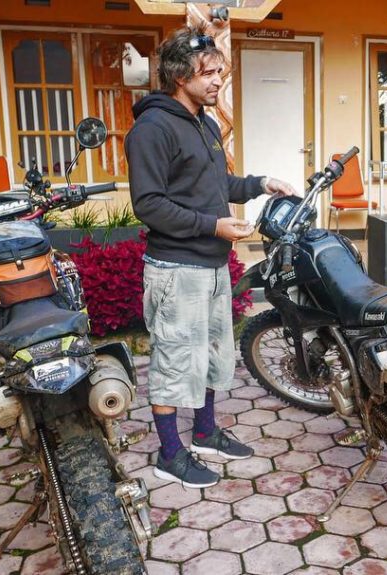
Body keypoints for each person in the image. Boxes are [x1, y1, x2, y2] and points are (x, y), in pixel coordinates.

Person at [125, 26, 297, 489]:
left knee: (210, 355)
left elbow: (220, 186)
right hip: (176, 269)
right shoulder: (152, 129)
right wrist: (213, 225)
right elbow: (149, 204)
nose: (219, 80)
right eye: (210, 73)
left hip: (213, 265)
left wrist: (260, 184)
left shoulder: (204, 122)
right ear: (181, 75)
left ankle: (203, 432)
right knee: (175, 361)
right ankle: (169, 453)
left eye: (221, 71)